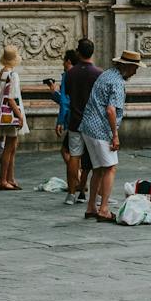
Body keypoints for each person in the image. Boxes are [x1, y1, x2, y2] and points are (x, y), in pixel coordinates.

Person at [79, 49, 143, 223]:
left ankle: (91, 206)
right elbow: (110, 109)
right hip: (101, 130)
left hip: (88, 127)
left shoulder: (106, 74)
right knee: (110, 168)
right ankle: (104, 209)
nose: (135, 72)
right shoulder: (117, 82)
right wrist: (115, 135)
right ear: (127, 66)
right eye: (135, 68)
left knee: (98, 169)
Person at [60, 38, 101, 206]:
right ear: (92, 52)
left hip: (75, 121)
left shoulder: (70, 73)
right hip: (92, 123)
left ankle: (71, 194)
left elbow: (67, 95)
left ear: (78, 52)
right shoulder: (99, 73)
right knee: (93, 160)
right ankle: (88, 192)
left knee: (74, 157)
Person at [0, 46, 26, 191]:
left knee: (11, 146)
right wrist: (20, 116)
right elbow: (11, 99)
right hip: (11, 113)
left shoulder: (0, 74)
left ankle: (9, 178)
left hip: (0, 112)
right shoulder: (13, 75)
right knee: (10, 147)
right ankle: (3, 179)